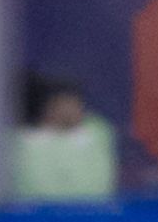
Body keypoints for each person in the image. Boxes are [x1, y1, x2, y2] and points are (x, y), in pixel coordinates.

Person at [8, 70, 119, 200]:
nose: (72, 109)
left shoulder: (97, 134)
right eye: (64, 103)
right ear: (47, 107)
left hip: (92, 208)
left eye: (75, 103)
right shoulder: (23, 142)